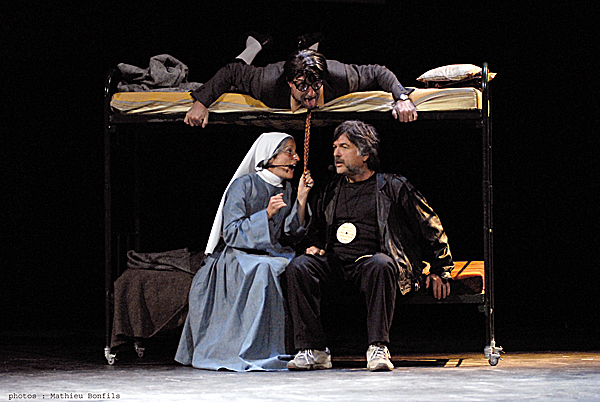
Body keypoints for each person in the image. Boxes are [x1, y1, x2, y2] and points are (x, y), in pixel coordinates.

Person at [284, 120, 453, 372]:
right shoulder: (331, 190)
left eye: (344, 147)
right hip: (338, 266)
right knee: (299, 266)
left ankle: (377, 347)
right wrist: (314, 245)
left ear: (365, 154)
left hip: (372, 264)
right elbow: (316, 229)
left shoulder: (393, 186)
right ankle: (313, 349)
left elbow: (430, 226)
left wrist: (442, 269)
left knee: (381, 263)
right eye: (334, 147)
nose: (336, 153)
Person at [175, 132, 314, 371]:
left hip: (273, 252)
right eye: (289, 152)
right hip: (238, 256)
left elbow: (291, 234)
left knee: (297, 266)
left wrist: (301, 200)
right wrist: (266, 215)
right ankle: (255, 349)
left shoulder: (288, 189)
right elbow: (230, 232)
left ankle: (297, 347)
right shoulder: (244, 185)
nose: (296, 158)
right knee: (264, 270)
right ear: (269, 156)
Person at [184, 48, 418, 128]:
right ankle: (255, 44)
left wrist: (402, 97)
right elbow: (231, 72)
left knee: (310, 60)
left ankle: (307, 46)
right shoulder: (266, 84)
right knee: (240, 62)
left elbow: (379, 71)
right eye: (302, 87)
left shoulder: (339, 76)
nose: (311, 93)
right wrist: (201, 102)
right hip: (271, 70)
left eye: (316, 85)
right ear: (289, 84)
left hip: (321, 66)